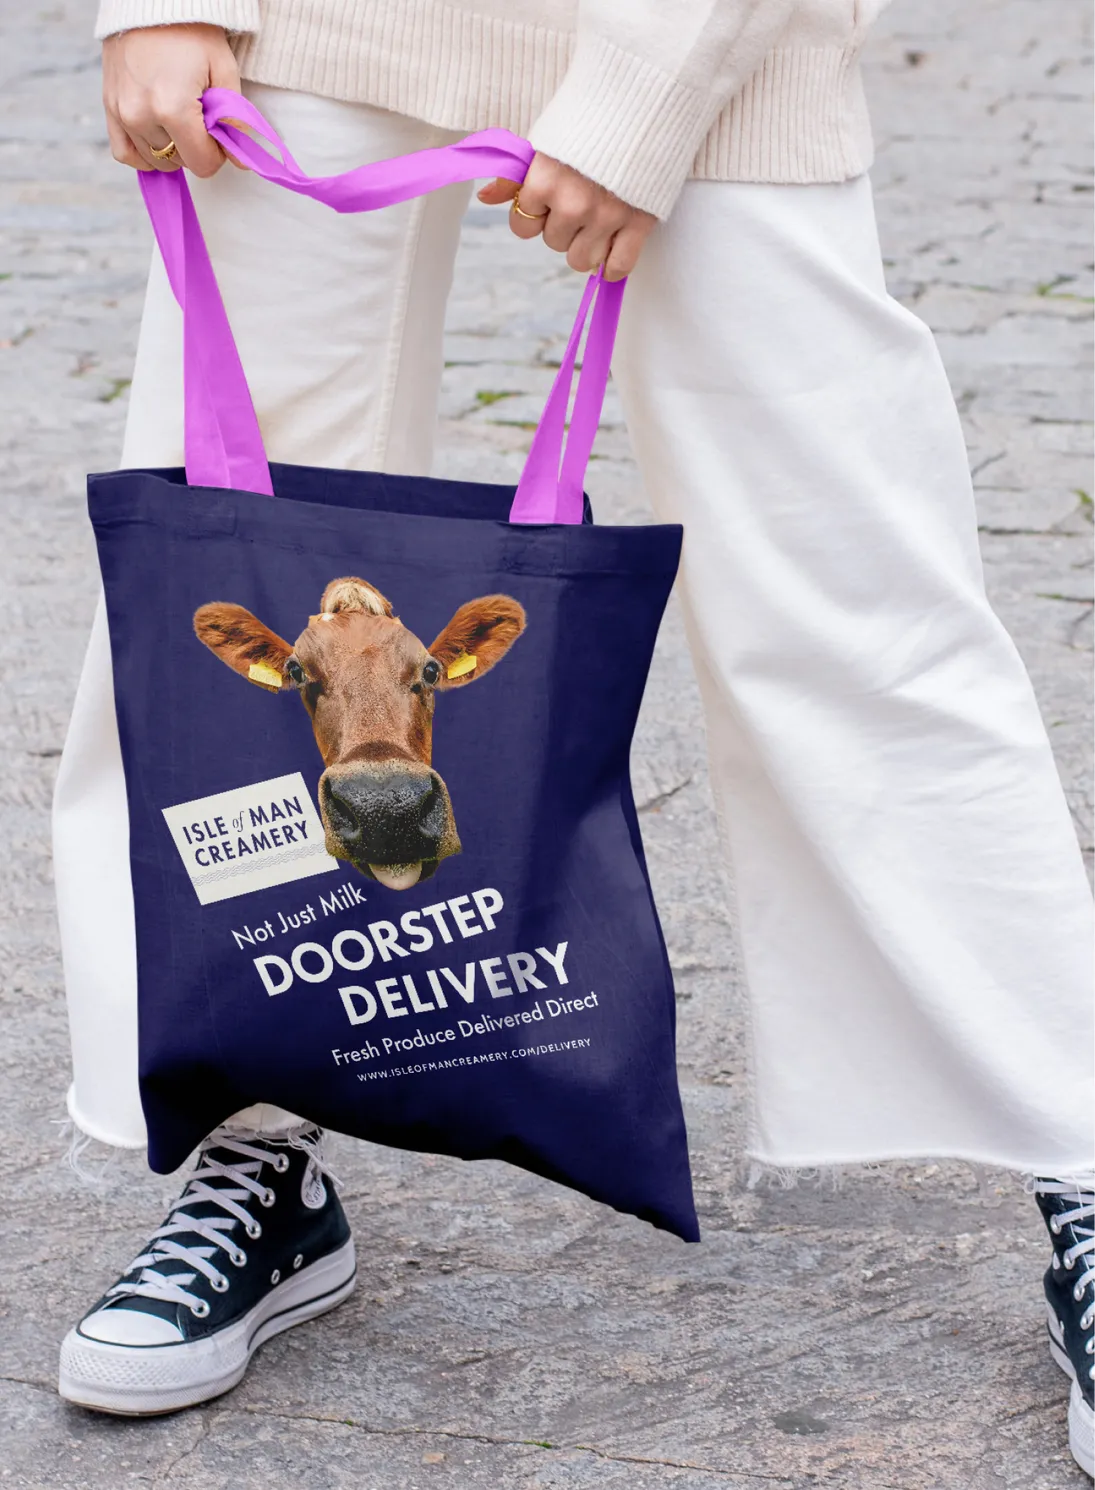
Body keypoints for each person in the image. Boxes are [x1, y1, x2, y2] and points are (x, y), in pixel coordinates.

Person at [52, 1, 1093, 1474]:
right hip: (312, 24)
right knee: (227, 577)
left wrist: (637, 95)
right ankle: (251, 1149)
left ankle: (1075, 1144)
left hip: (712, 38)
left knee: (854, 600)